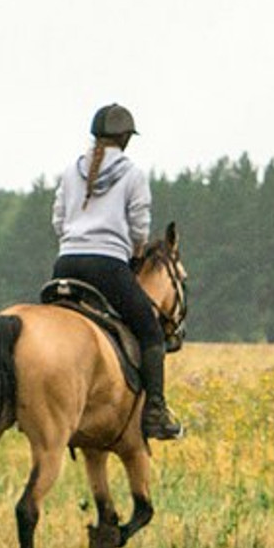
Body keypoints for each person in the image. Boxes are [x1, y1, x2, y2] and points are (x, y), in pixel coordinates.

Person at [51, 103, 182, 441]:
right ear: (124, 139)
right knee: (151, 331)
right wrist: (136, 253)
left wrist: (75, 240)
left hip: (65, 263)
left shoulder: (70, 172)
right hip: (108, 265)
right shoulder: (133, 175)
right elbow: (140, 225)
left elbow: (58, 221)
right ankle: (155, 411)